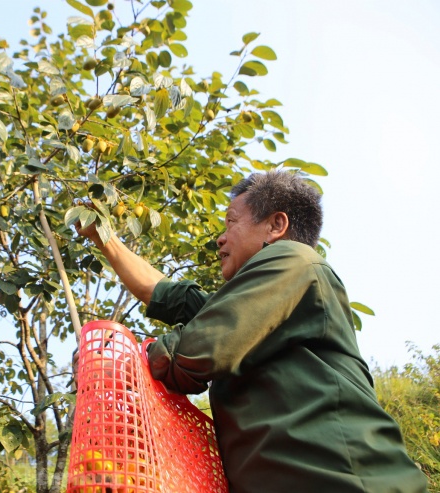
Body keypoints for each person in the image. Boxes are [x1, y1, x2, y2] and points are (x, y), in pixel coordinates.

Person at [76, 171, 428, 493]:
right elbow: (162, 293)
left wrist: (125, 364)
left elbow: (200, 348)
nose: (220, 238)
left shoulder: (295, 260)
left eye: (231, 222)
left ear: (276, 226)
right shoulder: (254, 313)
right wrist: (101, 233)